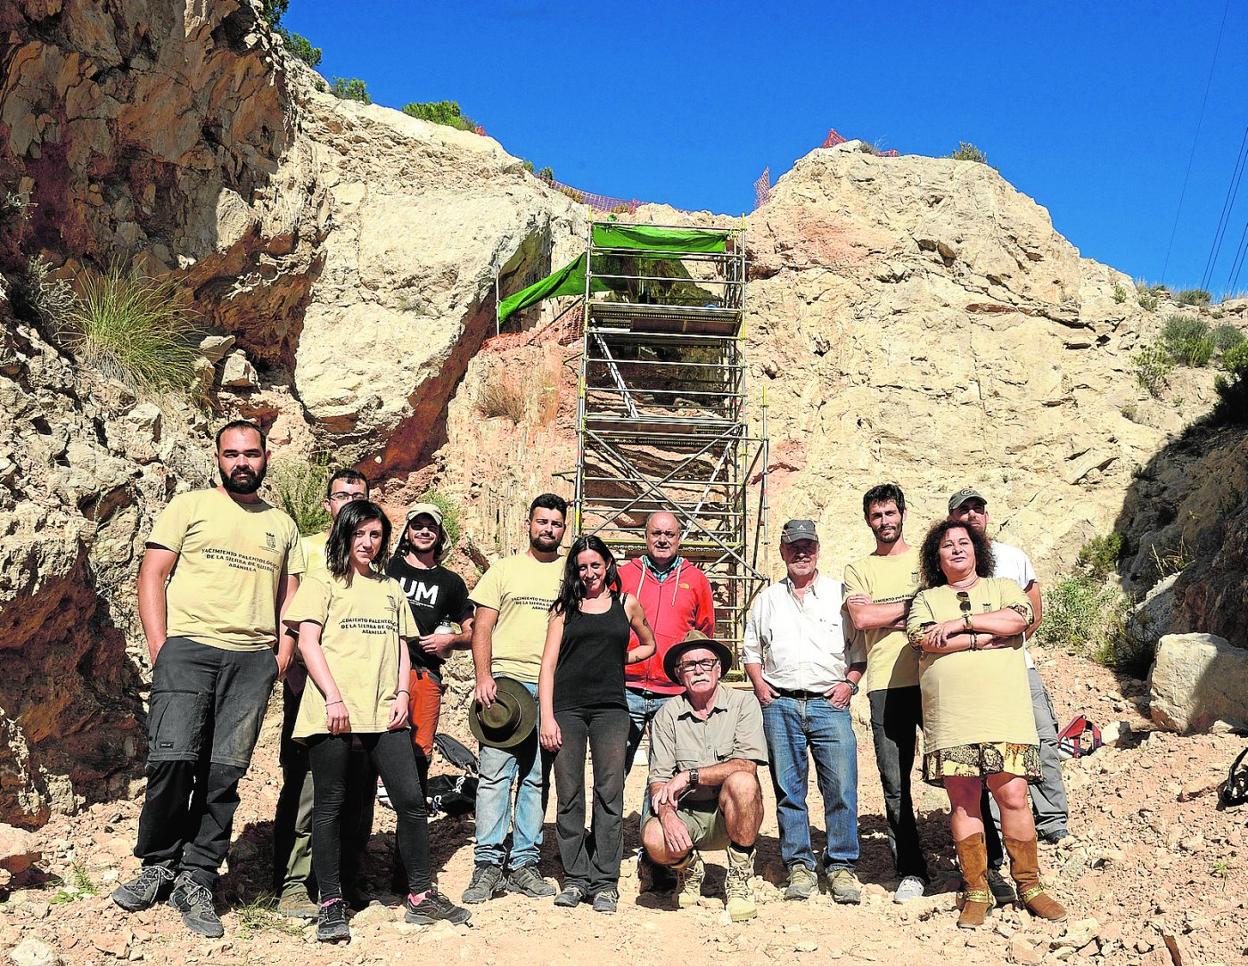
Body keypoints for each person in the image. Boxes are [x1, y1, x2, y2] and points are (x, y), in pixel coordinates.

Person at [112, 421, 304, 939]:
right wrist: (162, 648)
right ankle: (158, 864)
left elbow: (292, 595)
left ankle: (197, 876)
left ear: (266, 458)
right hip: (189, 651)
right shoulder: (189, 507)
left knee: (224, 774)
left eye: (252, 454)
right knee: (171, 764)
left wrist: (281, 655)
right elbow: (152, 574)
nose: (243, 462)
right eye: (232, 454)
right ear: (217, 458)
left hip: (249, 661)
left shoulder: (282, 525)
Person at [286, 500, 470, 942]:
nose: (368, 543)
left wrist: (404, 692)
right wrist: (332, 696)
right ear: (344, 535)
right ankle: (330, 902)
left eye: (375, 535)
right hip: (334, 711)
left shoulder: (390, 588)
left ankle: (420, 895)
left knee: (410, 800)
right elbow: (307, 642)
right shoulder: (322, 580)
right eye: (360, 534)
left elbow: (403, 645)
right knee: (330, 807)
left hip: (385, 712)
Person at [907, 519, 1067, 930]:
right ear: (936, 557)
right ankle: (976, 888)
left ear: (977, 549)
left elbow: (1018, 621)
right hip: (953, 717)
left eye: (964, 542)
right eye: (947, 545)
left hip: (1003, 713)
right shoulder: (926, 599)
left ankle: (1029, 885)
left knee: (1012, 793)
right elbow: (923, 639)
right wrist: (987, 633)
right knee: (963, 800)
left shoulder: (1003, 589)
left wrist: (961, 626)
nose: (957, 549)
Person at [948, 488, 1071, 905]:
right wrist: (990, 639)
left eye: (977, 508)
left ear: (986, 513)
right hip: (970, 680)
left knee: (1043, 740)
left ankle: (1052, 821)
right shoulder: (947, 562)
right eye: (962, 510)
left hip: (1019, 669)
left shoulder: (1012, 556)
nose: (972, 515)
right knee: (980, 762)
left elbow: (1029, 613)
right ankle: (991, 853)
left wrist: (1003, 644)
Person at [743, 519, 865, 904]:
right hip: (780, 705)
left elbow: (858, 651)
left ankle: (841, 865)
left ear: (818, 549)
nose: (801, 552)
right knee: (788, 790)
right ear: (782, 551)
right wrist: (762, 688)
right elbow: (751, 650)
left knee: (841, 787)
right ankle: (798, 864)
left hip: (830, 705)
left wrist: (849, 684)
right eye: (794, 546)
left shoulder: (838, 595)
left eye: (808, 545)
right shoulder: (767, 600)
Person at [538, 536, 657, 913]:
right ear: (575, 569)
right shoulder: (564, 609)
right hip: (567, 710)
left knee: (610, 792)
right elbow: (548, 667)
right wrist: (547, 716)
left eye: (595, 565)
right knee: (569, 793)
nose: (589, 573)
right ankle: (575, 878)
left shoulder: (626, 603)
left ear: (607, 564)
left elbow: (649, 644)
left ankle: (605, 881)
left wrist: (618, 661)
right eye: (582, 566)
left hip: (611, 710)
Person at [273, 468, 370, 918]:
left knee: (355, 786)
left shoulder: (374, 557)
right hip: (310, 687)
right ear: (328, 502)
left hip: (360, 695)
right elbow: (289, 612)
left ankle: (345, 877)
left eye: (359, 495)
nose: (349, 501)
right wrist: (291, 671)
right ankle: (293, 881)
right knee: (306, 785)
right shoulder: (308, 548)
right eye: (342, 495)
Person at [464, 493, 568, 904]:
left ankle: (524, 862)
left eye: (556, 524)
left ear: (564, 528)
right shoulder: (503, 571)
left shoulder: (569, 574)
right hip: (505, 688)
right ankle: (487, 864)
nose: (548, 529)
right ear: (528, 524)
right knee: (493, 777)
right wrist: (483, 676)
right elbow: (482, 628)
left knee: (536, 778)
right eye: (542, 521)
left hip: (549, 690)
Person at [616, 512, 715, 891]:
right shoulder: (623, 575)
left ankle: (653, 855)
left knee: (663, 778)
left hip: (671, 696)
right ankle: (604, 848)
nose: (662, 539)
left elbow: (702, 632)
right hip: (624, 687)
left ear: (679, 538)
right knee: (613, 772)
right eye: (655, 533)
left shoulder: (695, 580)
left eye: (669, 534)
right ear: (645, 536)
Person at [641, 631, 768, 923]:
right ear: (679, 673)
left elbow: (747, 764)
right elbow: (659, 780)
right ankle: (689, 868)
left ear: (719, 669)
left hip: (729, 813)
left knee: (743, 781)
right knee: (653, 835)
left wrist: (691, 775)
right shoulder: (666, 716)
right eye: (689, 665)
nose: (698, 670)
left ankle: (739, 878)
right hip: (688, 815)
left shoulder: (743, 704)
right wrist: (667, 815)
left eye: (706, 662)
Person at [842, 483, 930, 903]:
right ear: (867, 521)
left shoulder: (925, 560)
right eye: (876, 516)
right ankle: (911, 869)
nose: (884, 522)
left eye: (890, 514)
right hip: (885, 684)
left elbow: (940, 604)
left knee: (964, 769)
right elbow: (861, 618)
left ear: (903, 513)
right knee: (895, 780)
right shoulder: (859, 569)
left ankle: (984, 858)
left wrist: (886, 614)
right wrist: (913, 607)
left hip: (934, 678)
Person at [387, 501, 475, 792]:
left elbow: (474, 633)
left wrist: (449, 639)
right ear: (407, 532)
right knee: (375, 744)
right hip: (382, 670)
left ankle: (411, 819)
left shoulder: (450, 583)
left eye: (431, 527)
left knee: (420, 749)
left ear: (440, 534)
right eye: (417, 526)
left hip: (424, 674)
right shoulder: (387, 568)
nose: (424, 532)